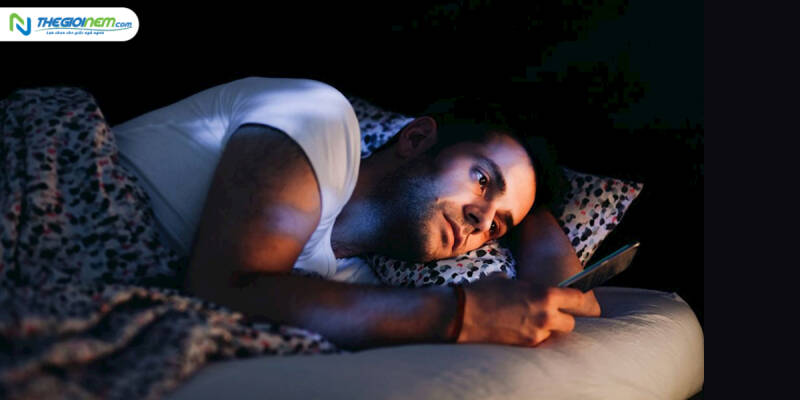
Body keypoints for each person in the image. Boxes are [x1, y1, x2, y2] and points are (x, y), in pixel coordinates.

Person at [110, 76, 601, 351]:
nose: (481, 219)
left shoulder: (349, 287)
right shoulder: (321, 117)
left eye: (497, 225)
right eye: (482, 179)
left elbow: (571, 306)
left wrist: (532, 217)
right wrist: (460, 313)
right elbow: (221, 288)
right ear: (416, 139)